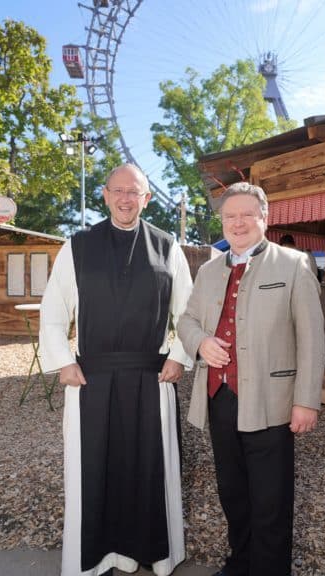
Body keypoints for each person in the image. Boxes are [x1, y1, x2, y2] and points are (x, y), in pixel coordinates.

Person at [39, 164, 193, 576]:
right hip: (92, 381)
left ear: (147, 199)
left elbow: (191, 313)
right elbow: (53, 309)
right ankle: (95, 556)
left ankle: (154, 555)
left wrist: (179, 355)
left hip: (151, 376)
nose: (126, 199)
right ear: (105, 195)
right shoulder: (77, 246)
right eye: (119, 191)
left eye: (135, 192)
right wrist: (63, 361)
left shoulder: (168, 248)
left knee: (148, 470)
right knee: (96, 468)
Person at [177, 182, 325, 576]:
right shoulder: (208, 269)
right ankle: (239, 563)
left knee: (271, 500)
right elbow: (186, 320)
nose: (237, 222)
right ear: (222, 222)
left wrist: (306, 400)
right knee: (233, 493)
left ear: (264, 217)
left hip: (272, 400)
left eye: (246, 214)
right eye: (230, 216)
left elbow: (312, 337)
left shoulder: (294, 264)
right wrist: (200, 342)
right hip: (219, 398)